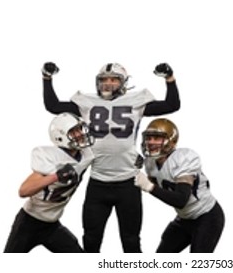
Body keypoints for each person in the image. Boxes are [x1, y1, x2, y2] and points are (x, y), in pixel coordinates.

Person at [41, 60, 181, 253]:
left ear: (123, 83)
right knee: (91, 241)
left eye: (113, 80)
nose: (108, 83)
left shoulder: (136, 101)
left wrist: (169, 78)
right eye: (104, 79)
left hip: (129, 184)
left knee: (131, 242)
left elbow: (172, 105)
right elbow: (53, 105)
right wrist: (46, 78)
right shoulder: (87, 103)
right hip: (98, 182)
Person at [4, 113, 96, 253]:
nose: (80, 134)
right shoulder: (49, 157)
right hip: (29, 222)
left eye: (79, 129)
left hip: (52, 225)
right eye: (74, 132)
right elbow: (24, 190)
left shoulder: (86, 154)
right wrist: (56, 176)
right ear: (61, 136)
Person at [133, 118, 225, 253]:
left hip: (207, 216)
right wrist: (132, 170)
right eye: (149, 138)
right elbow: (157, 183)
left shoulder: (184, 158)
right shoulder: (150, 162)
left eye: (157, 138)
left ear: (171, 141)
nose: (151, 142)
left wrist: (148, 186)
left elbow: (181, 200)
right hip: (184, 218)